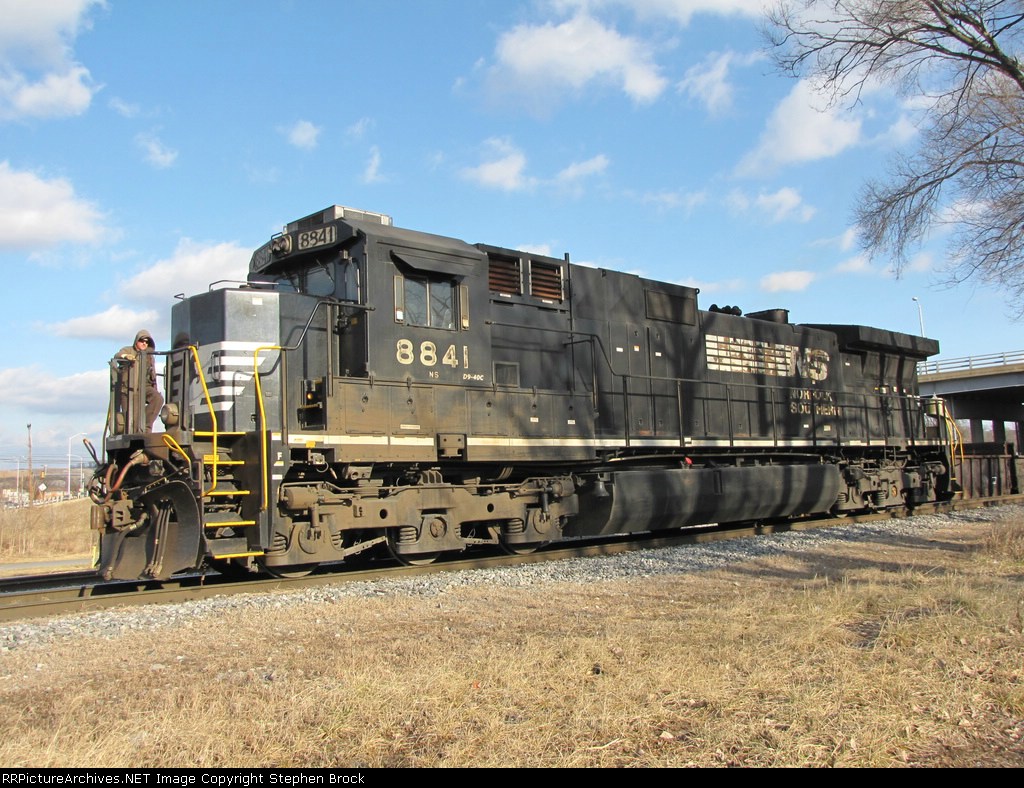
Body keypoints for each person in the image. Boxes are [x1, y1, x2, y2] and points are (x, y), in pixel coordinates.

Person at [113, 329, 164, 432]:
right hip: (130, 389)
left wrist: (155, 387)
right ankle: (136, 437)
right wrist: (126, 357)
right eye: (142, 341)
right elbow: (118, 355)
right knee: (132, 419)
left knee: (158, 399)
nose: (144, 343)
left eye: (147, 342)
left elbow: (152, 374)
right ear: (136, 341)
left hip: (145, 387)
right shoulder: (128, 350)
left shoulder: (150, 357)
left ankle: (146, 427)